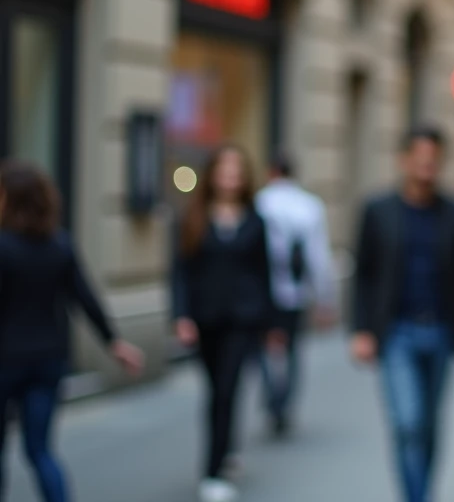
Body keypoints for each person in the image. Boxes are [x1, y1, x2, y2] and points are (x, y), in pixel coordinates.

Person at [351, 127, 454, 502]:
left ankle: (422, 492)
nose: (426, 167)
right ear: (403, 161)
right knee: (408, 422)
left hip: (441, 331)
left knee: (429, 426)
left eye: (433, 160)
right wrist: (361, 330)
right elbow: (364, 275)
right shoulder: (377, 211)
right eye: (419, 159)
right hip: (396, 331)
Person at [0, 161, 143, 502]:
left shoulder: (3, 247)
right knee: (40, 450)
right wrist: (115, 343)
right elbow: (86, 298)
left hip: (4, 361)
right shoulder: (59, 245)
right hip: (48, 360)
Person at [171, 145, 282, 502]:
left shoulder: (255, 220)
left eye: (237, 170)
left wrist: (271, 323)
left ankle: (213, 469)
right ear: (213, 174)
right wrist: (181, 315)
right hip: (205, 318)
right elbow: (180, 272)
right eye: (225, 169)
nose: (231, 177)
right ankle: (226, 447)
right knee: (216, 390)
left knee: (227, 389)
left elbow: (265, 273)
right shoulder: (193, 217)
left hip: (243, 319)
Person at [254, 152, 337, 437]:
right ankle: (284, 401)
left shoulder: (260, 203)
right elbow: (318, 257)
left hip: (263, 292)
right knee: (291, 350)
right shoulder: (309, 206)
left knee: (263, 347)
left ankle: (272, 397)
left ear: (271, 172)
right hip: (295, 292)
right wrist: (325, 298)